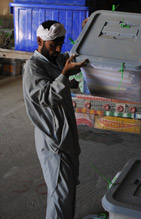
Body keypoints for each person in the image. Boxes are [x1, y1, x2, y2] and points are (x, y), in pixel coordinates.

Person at [22, 20, 87, 219]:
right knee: (60, 194)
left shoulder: (55, 59)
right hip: (53, 141)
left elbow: (72, 59)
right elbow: (46, 97)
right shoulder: (33, 68)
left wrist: (86, 33)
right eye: (53, 45)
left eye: (61, 43)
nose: (59, 49)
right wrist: (65, 74)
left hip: (64, 135)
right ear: (39, 40)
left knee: (67, 191)